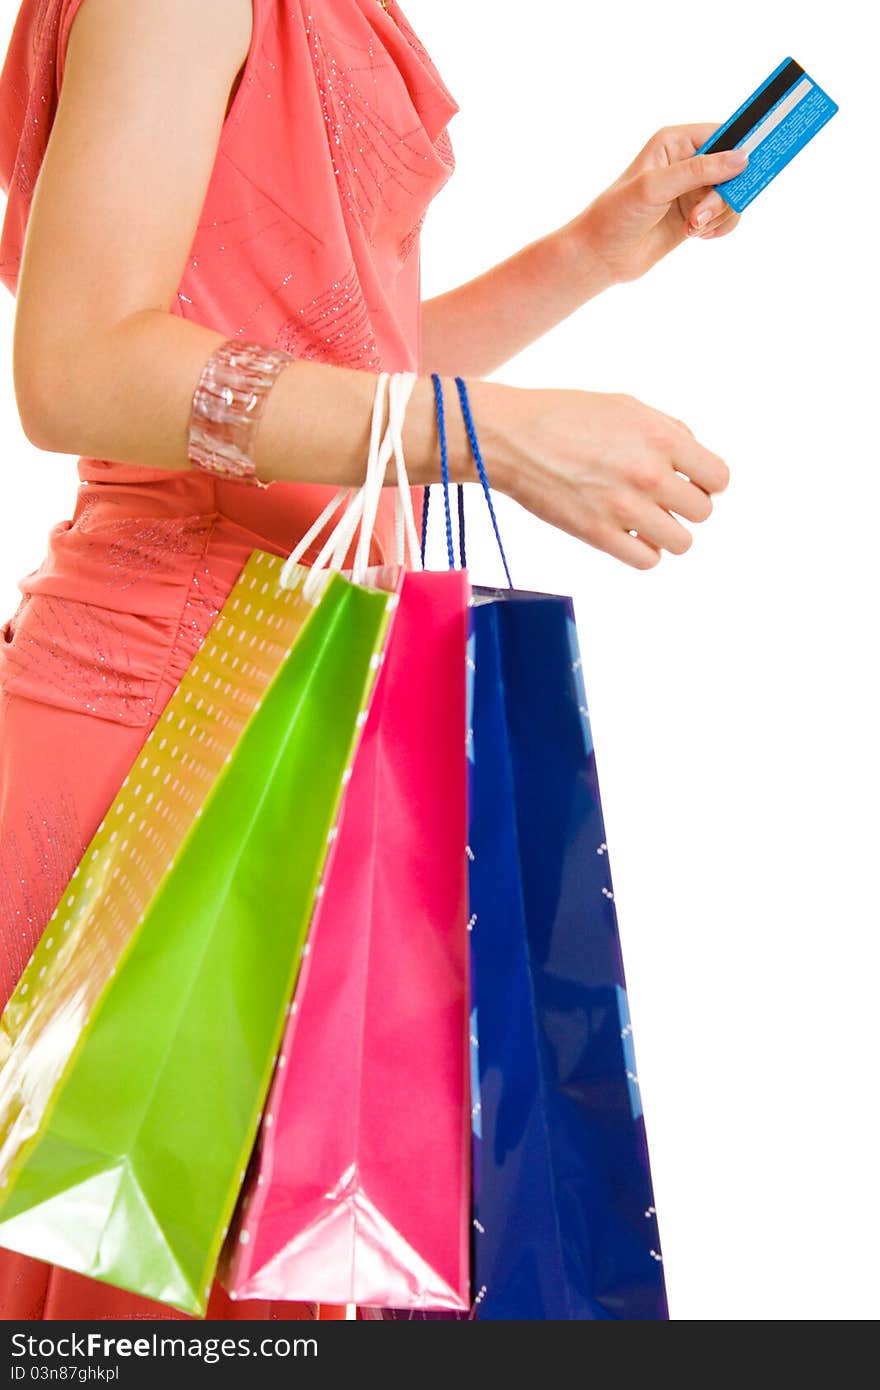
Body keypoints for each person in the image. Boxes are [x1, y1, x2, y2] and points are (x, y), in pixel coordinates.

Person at [0, 0, 742, 1321]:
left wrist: (588, 252)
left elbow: (337, 376)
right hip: (162, 761)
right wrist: (484, 434)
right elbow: (75, 364)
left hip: (287, 730)